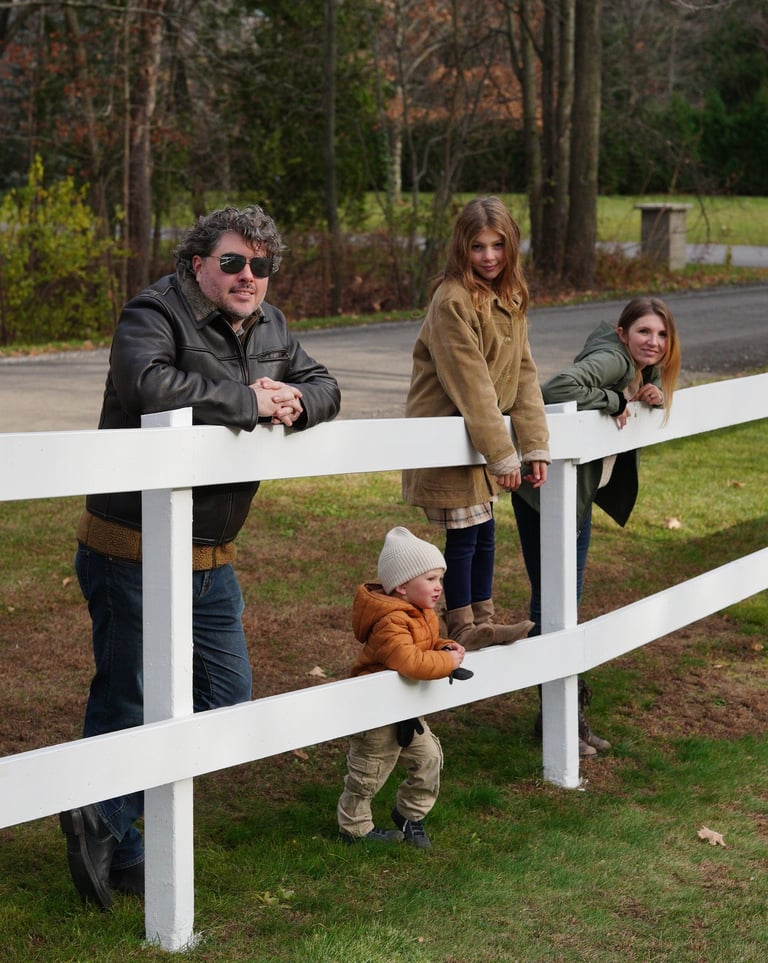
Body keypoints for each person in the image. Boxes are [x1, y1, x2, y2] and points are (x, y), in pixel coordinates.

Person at [60, 205, 341, 909]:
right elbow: (147, 386)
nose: (249, 276)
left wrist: (296, 401)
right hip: (130, 549)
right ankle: (121, 844)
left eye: (261, 265)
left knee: (226, 695)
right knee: (127, 696)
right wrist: (248, 400)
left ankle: (104, 817)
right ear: (198, 264)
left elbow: (327, 386)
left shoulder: (272, 326)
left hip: (213, 558)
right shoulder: (153, 312)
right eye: (233, 262)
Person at [512, 295, 681, 755]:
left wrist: (647, 391)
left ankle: (559, 714)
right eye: (644, 331)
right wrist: (612, 399)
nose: (654, 341)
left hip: (574, 495)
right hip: (546, 493)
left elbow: (630, 390)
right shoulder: (613, 358)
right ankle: (560, 717)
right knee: (554, 602)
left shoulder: (633, 366)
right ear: (623, 333)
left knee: (565, 600)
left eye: (662, 334)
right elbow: (554, 389)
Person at [402, 196, 550, 651]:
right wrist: (503, 453)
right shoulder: (452, 300)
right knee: (465, 536)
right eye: (478, 246)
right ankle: (462, 624)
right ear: (462, 248)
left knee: (485, 532)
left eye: (498, 245)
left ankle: (483, 620)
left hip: (480, 438)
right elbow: (472, 384)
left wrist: (535, 445)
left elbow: (523, 374)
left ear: (512, 247)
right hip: (452, 431)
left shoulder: (510, 296)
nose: (489, 256)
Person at [337, 526, 471, 849]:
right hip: (378, 711)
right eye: (431, 579)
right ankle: (354, 827)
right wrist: (447, 663)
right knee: (369, 772)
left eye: (440, 579)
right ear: (401, 586)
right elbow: (409, 660)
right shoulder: (390, 622)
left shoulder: (421, 613)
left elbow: (425, 645)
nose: (438, 587)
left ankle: (410, 814)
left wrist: (444, 646)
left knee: (429, 759)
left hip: (405, 708)